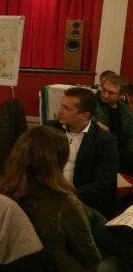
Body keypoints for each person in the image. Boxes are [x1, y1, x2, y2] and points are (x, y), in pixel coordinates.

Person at [0, 126, 132, 272]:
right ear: (57, 161)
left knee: (93, 218)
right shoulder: (64, 203)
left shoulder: (6, 190)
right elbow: (91, 259)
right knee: (126, 262)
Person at [56, 86, 119, 216]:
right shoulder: (51, 130)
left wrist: (68, 195)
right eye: (61, 106)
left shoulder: (104, 141)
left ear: (84, 115)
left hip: (83, 203)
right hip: (49, 196)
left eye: (66, 108)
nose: (60, 111)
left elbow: (104, 183)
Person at [94, 73, 133, 175]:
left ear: (121, 96)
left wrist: (130, 152)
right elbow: (82, 115)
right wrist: (96, 122)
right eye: (104, 90)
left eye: (111, 93)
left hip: (122, 150)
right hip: (104, 148)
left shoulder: (125, 110)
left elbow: (131, 136)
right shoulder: (92, 103)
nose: (105, 95)